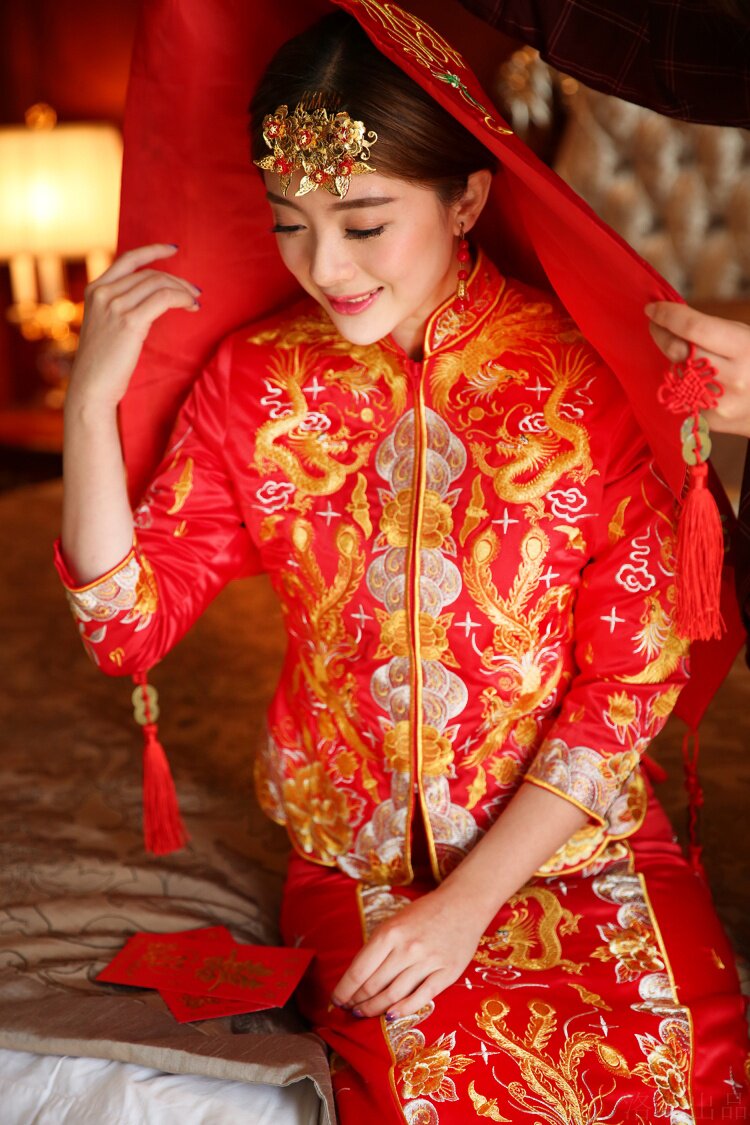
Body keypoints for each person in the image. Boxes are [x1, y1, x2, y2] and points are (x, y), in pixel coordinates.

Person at [56, 7, 749, 1123]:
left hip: (585, 848)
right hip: (359, 861)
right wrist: (91, 405)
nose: (323, 266)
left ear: (465, 199)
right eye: (289, 223)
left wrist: (467, 908)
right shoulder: (254, 384)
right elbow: (122, 630)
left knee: (688, 1087)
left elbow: (628, 686)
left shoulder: (588, 380)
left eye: (365, 222)